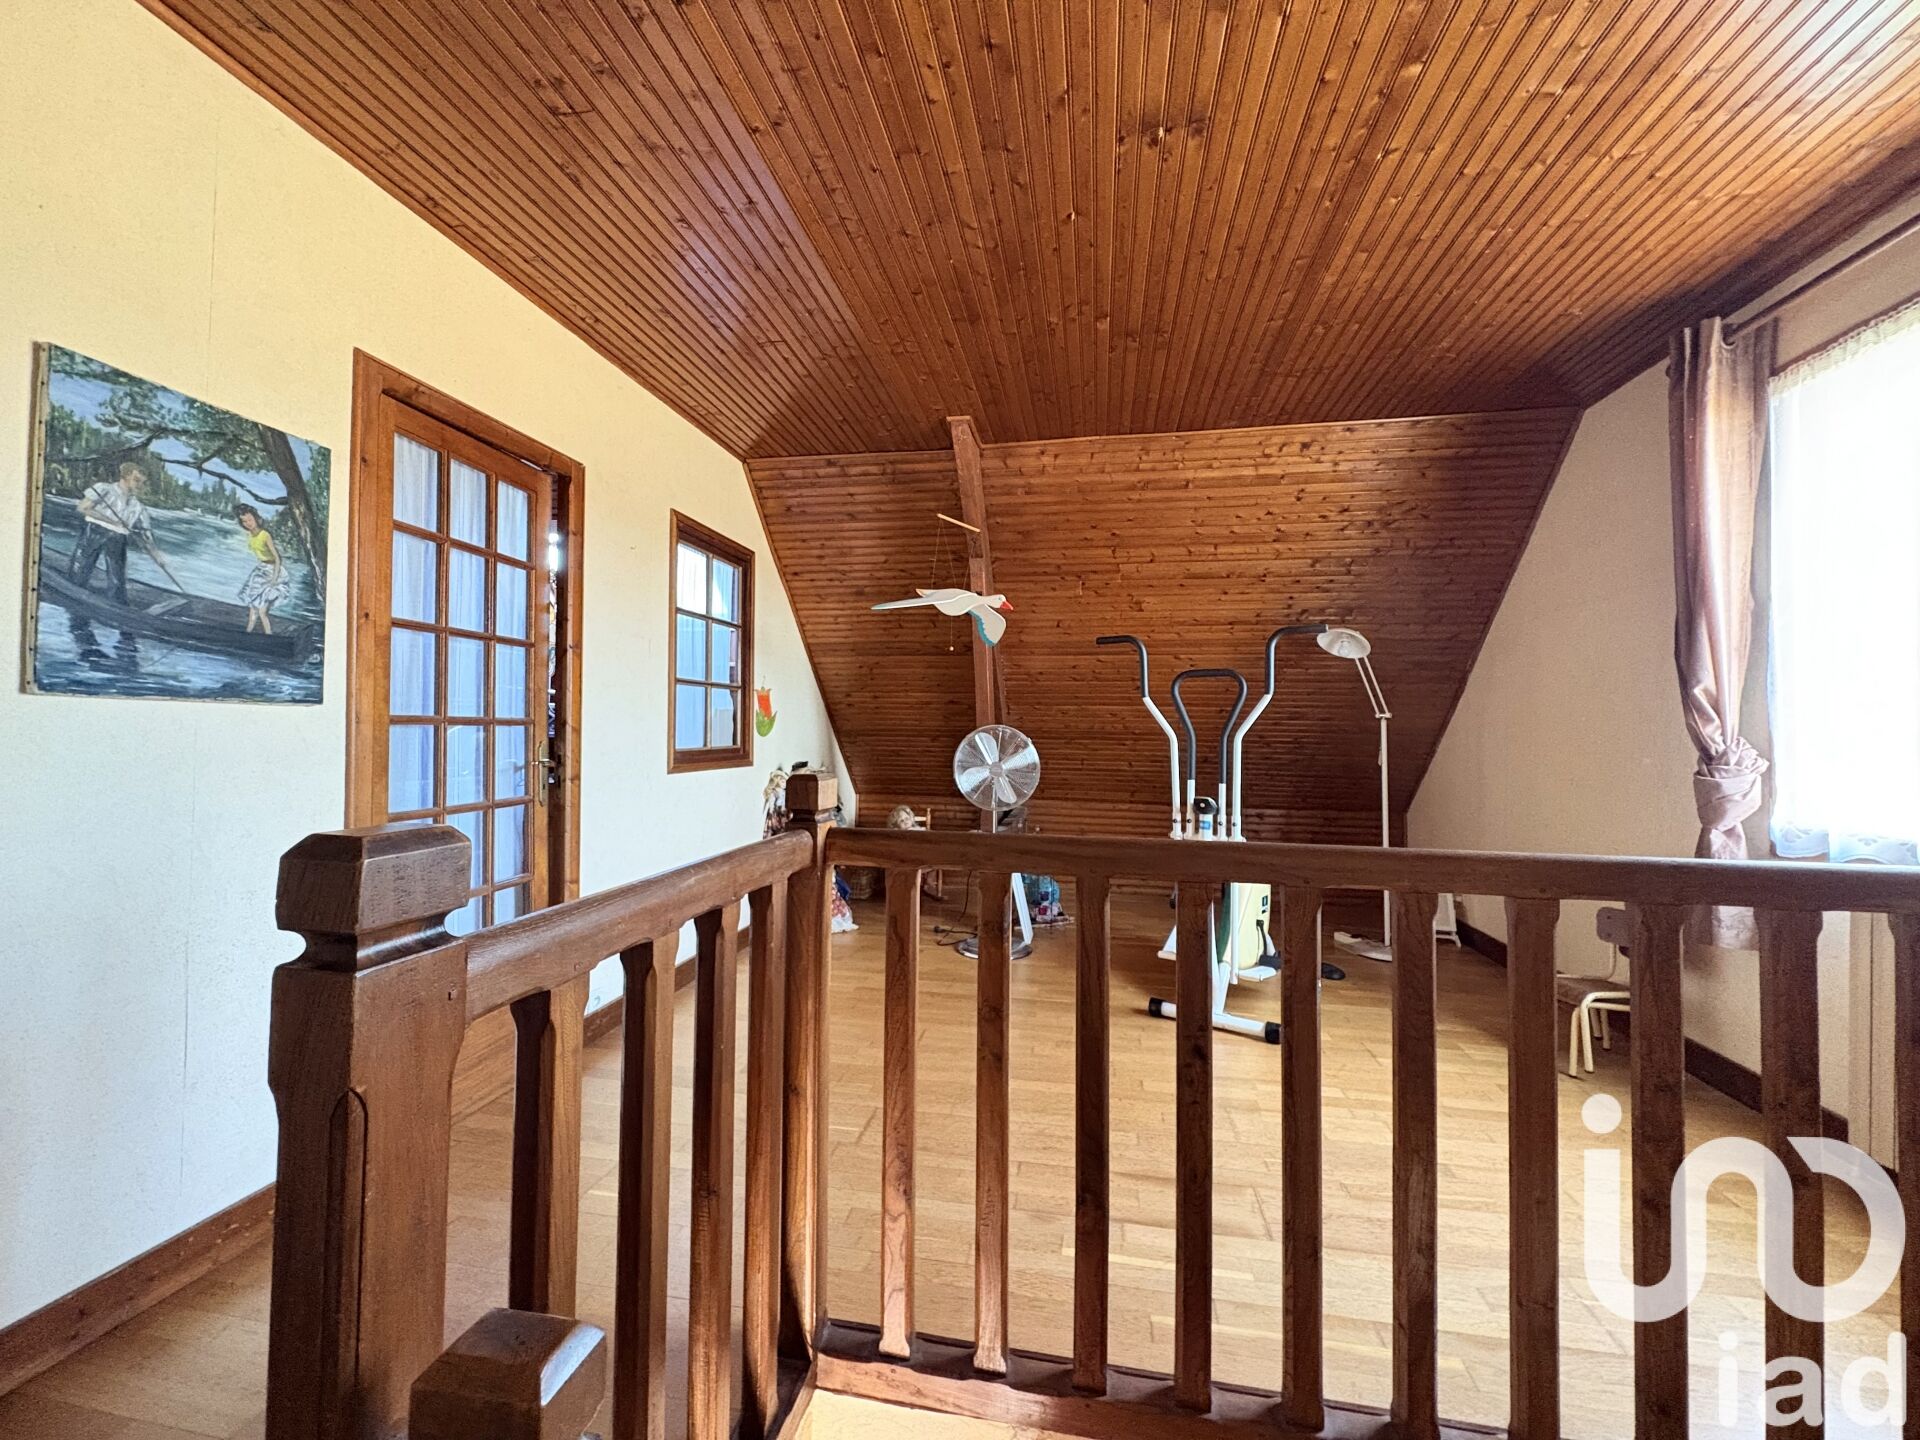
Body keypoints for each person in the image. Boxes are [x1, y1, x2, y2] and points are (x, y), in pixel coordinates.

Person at [70, 460, 155, 606]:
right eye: (136, 480)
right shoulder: (104, 489)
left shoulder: (137, 506)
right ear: (125, 476)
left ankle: (117, 604)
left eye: (142, 482)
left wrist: (156, 554)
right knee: (82, 567)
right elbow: (83, 508)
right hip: (95, 531)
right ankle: (74, 591)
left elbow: (145, 533)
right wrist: (112, 521)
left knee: (117, 576)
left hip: (118, 538)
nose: (139, 485)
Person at [234, 504, 288, 634]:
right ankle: (248, 632)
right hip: (261, 571)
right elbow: (260, 555)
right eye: (244, 521)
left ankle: (268, 636)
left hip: (273, 571)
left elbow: (277, 558)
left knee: (263, 611)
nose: (248, 523)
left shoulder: (265, 535)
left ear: (256, 518)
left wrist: (274, 578)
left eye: (250, 520)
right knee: (253, 606)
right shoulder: (250, 535)